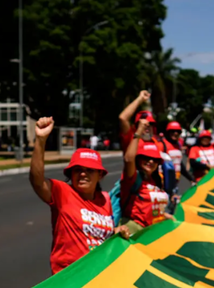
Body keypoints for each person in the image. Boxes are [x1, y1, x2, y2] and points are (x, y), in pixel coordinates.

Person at [29, 117, 116, 274]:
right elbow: (37, 182)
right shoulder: (63, 192)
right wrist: (40, 141)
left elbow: (104, 235)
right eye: (78, 170)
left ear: (100, 175)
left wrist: (118, 231)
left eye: (89, 170)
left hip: (99, 275)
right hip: (70, 279)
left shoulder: (105, 200)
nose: (83, 174)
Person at [121, 118, 172, 234]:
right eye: (146, 157)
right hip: (134, 232)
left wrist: (166, 216)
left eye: (155, 159)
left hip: (153, 232)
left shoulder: (157, 180)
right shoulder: (133, 178)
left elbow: (152, 208)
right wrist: (138, 132)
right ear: (138, 159)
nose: (150, 161)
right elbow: (129, 159)